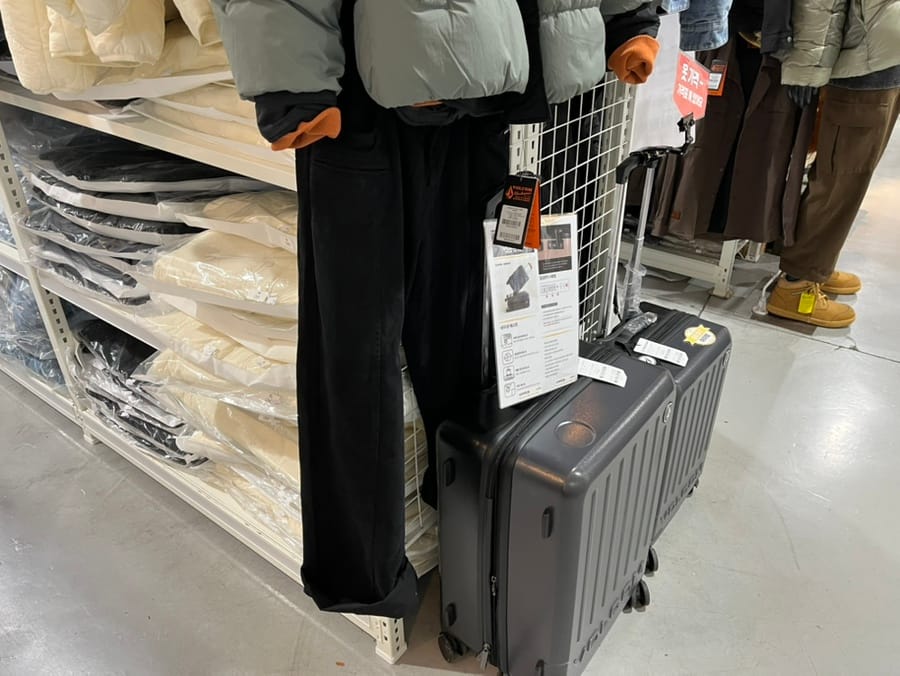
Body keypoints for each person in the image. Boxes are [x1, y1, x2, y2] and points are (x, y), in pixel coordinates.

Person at [766, 0, 900, 328]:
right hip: (862, 65)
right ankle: (796, 285)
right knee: (839, 182)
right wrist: (806, 67)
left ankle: (816, 264)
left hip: (882, 59)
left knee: (848, 180)